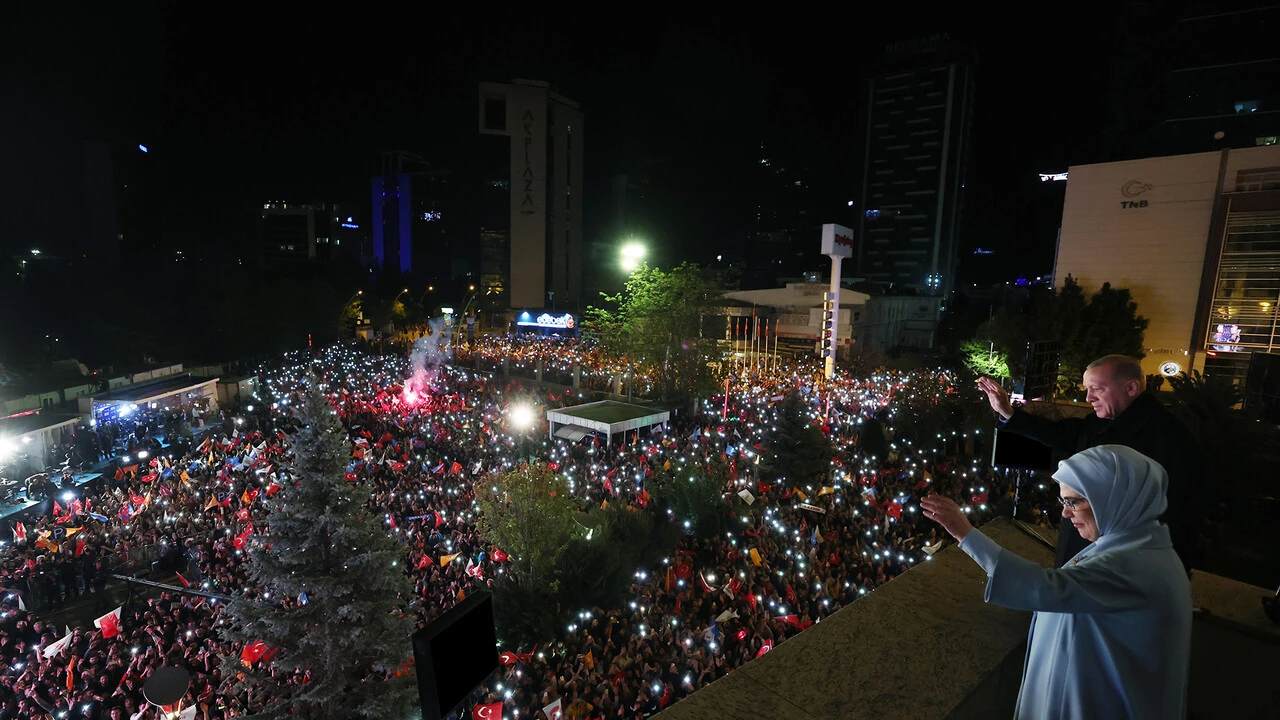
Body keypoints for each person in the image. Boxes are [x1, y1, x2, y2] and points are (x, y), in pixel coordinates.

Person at [921, 445, 1191, 720]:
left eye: (1073, 502)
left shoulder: (1136, 564)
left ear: (1112, 499)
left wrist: (965, 534)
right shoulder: (1135, 546)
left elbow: (1049, 588)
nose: (1065, 513)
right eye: (1064, 502)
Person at [977, 355, 1206, 571]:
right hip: (1084, 547)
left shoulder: (1168, 439)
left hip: (1124, 563)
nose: (1088, 398)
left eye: (1097, 388)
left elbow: (1179, 511)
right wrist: (1008, 412)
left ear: (1131, 388)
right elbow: (1058, 434)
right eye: (1087, 389)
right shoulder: (1100, 422)